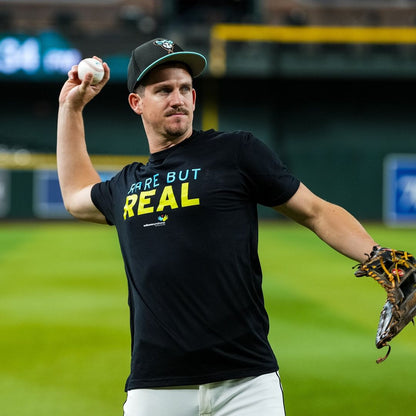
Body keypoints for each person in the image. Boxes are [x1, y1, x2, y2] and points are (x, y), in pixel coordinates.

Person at [57, 38, 378, 416]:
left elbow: (315, 211)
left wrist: (379, 258)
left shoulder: (235, 152)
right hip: (156, 387)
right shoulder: (127, 184)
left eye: (185, 89)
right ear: (136, 103)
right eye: (163, 90)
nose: (178, 98)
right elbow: (76, 193)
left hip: (246, 383)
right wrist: (71, 107)